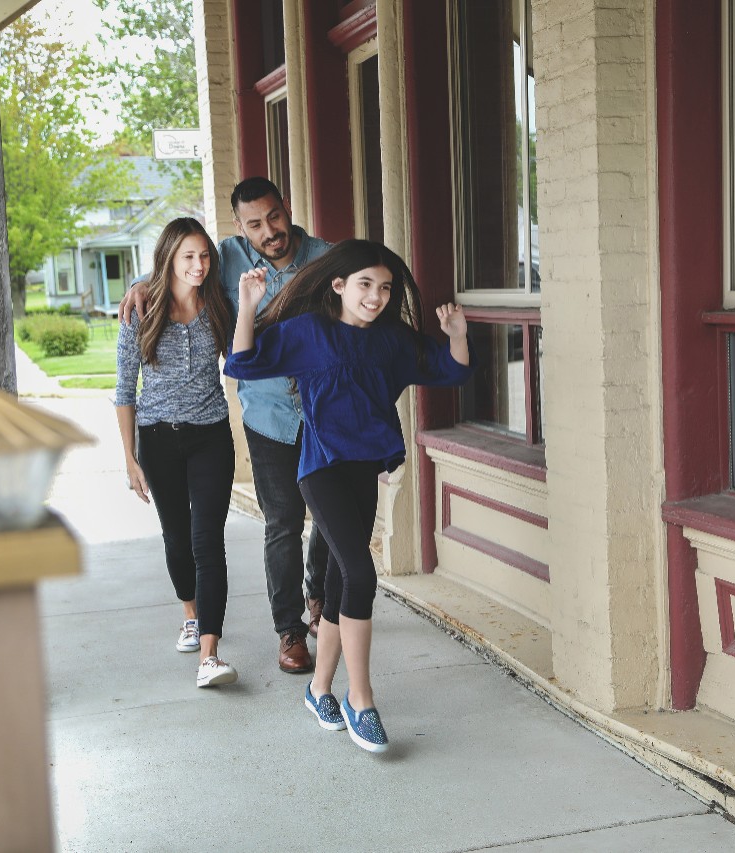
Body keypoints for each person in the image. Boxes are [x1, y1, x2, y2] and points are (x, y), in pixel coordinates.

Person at [223, 239, 472, 753]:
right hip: (321, 467)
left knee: (340, 582)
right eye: (365, 285)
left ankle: (319, 691)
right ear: (337, 285)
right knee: (360, 574)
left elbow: (453, 372)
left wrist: (457, 336)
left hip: (366, 469)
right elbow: (243, 363)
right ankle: (362, 699)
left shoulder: (391, 341)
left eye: (384, 288)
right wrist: (247, 306)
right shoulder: (308, 333)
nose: (376, 296)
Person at [120, 177, 329, 674]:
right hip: (266, 415)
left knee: (325, 517)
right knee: (278, 523)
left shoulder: (324, 258)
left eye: (274, 217)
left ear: (288, 209)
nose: (268, 230)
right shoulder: (227, 256)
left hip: (322, 412)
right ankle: (288, 632)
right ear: (239, 227)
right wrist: (142, 284)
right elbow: (183, 258)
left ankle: (316, 595)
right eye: (254, 223)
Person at [115, 217, 238, 688]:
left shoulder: (218, 306)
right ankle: (190, 612)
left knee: (208, 539)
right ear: (168, 259)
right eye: (188, 256)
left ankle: (210, 652)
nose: (199, 265)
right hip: (158, 439)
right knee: (177, 537)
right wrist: (131, 459)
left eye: (204, 255)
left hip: (210, 434)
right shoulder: (141, 310)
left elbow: (242, 355)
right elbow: (125, 390)